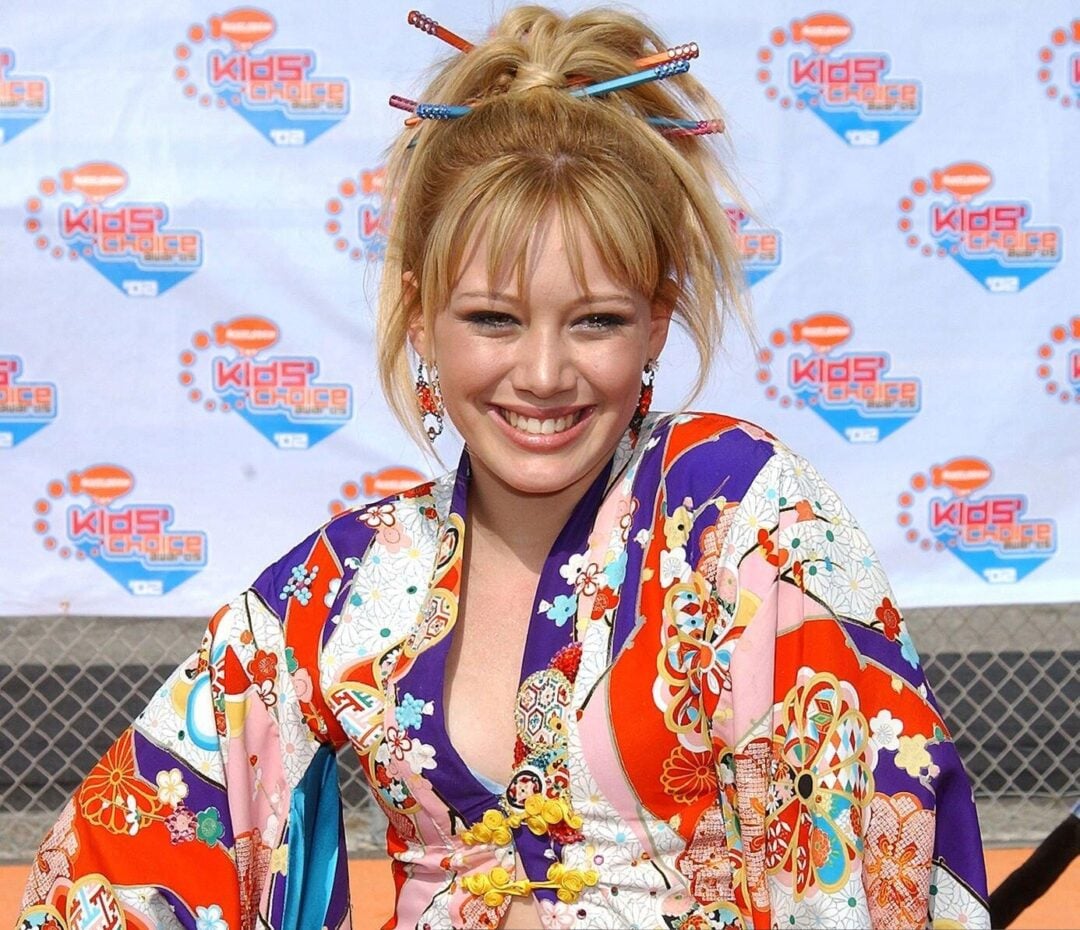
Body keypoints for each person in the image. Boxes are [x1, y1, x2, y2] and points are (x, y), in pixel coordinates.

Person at [20, 6, 991, 929]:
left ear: (656, 320)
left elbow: (865, 835)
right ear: (423, 314)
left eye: (596, 321)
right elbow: (136, 836)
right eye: (493, 318)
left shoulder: (739, 513)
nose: (541, 375)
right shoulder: (351, 583)